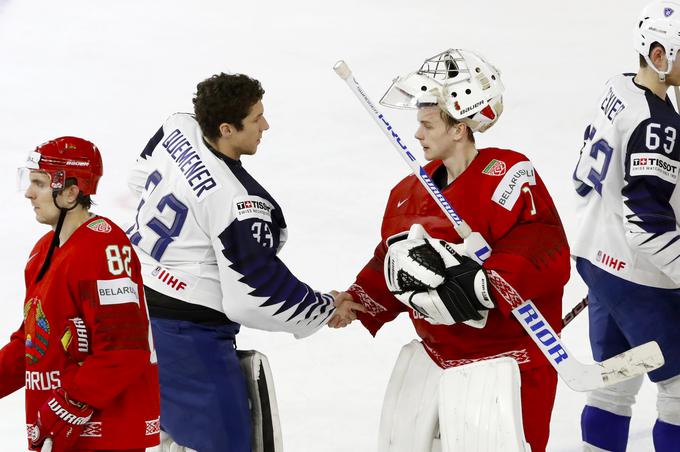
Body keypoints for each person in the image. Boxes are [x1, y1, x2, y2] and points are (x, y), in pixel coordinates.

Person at [332, 49, 571, 451]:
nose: (418, 135)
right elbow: (390, 259)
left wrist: (484, 286)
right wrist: (358, 299)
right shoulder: (409, 192)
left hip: (510, 362)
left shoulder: (509, 176)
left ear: (459, 129)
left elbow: (543, 244)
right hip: (438, 359)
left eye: (428, 125)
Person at [127, 72, 362, 452]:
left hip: (133, 311)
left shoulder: (178, 128)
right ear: (226, 128)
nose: (265, 125)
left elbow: (138, 178)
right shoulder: (238, 203)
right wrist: (325, 308)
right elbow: (254, 295)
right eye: (256, 119)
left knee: (160, 436)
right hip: (186, 341)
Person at [0, 137, 160, 451]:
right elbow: (32, 341)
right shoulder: (44, 250)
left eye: (39, 183)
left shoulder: (104, 247)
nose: (29, 193)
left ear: (71, 192)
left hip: (105, 434)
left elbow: (124, 350)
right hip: (63, 432)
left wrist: (72, 401)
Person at [571, 2, 680, 450]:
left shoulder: (618, 86)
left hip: (598, 254)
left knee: (615, 382)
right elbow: (648, 227)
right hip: (638, 275)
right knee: (679, 391)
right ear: (659, 56)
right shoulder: (659, 126)